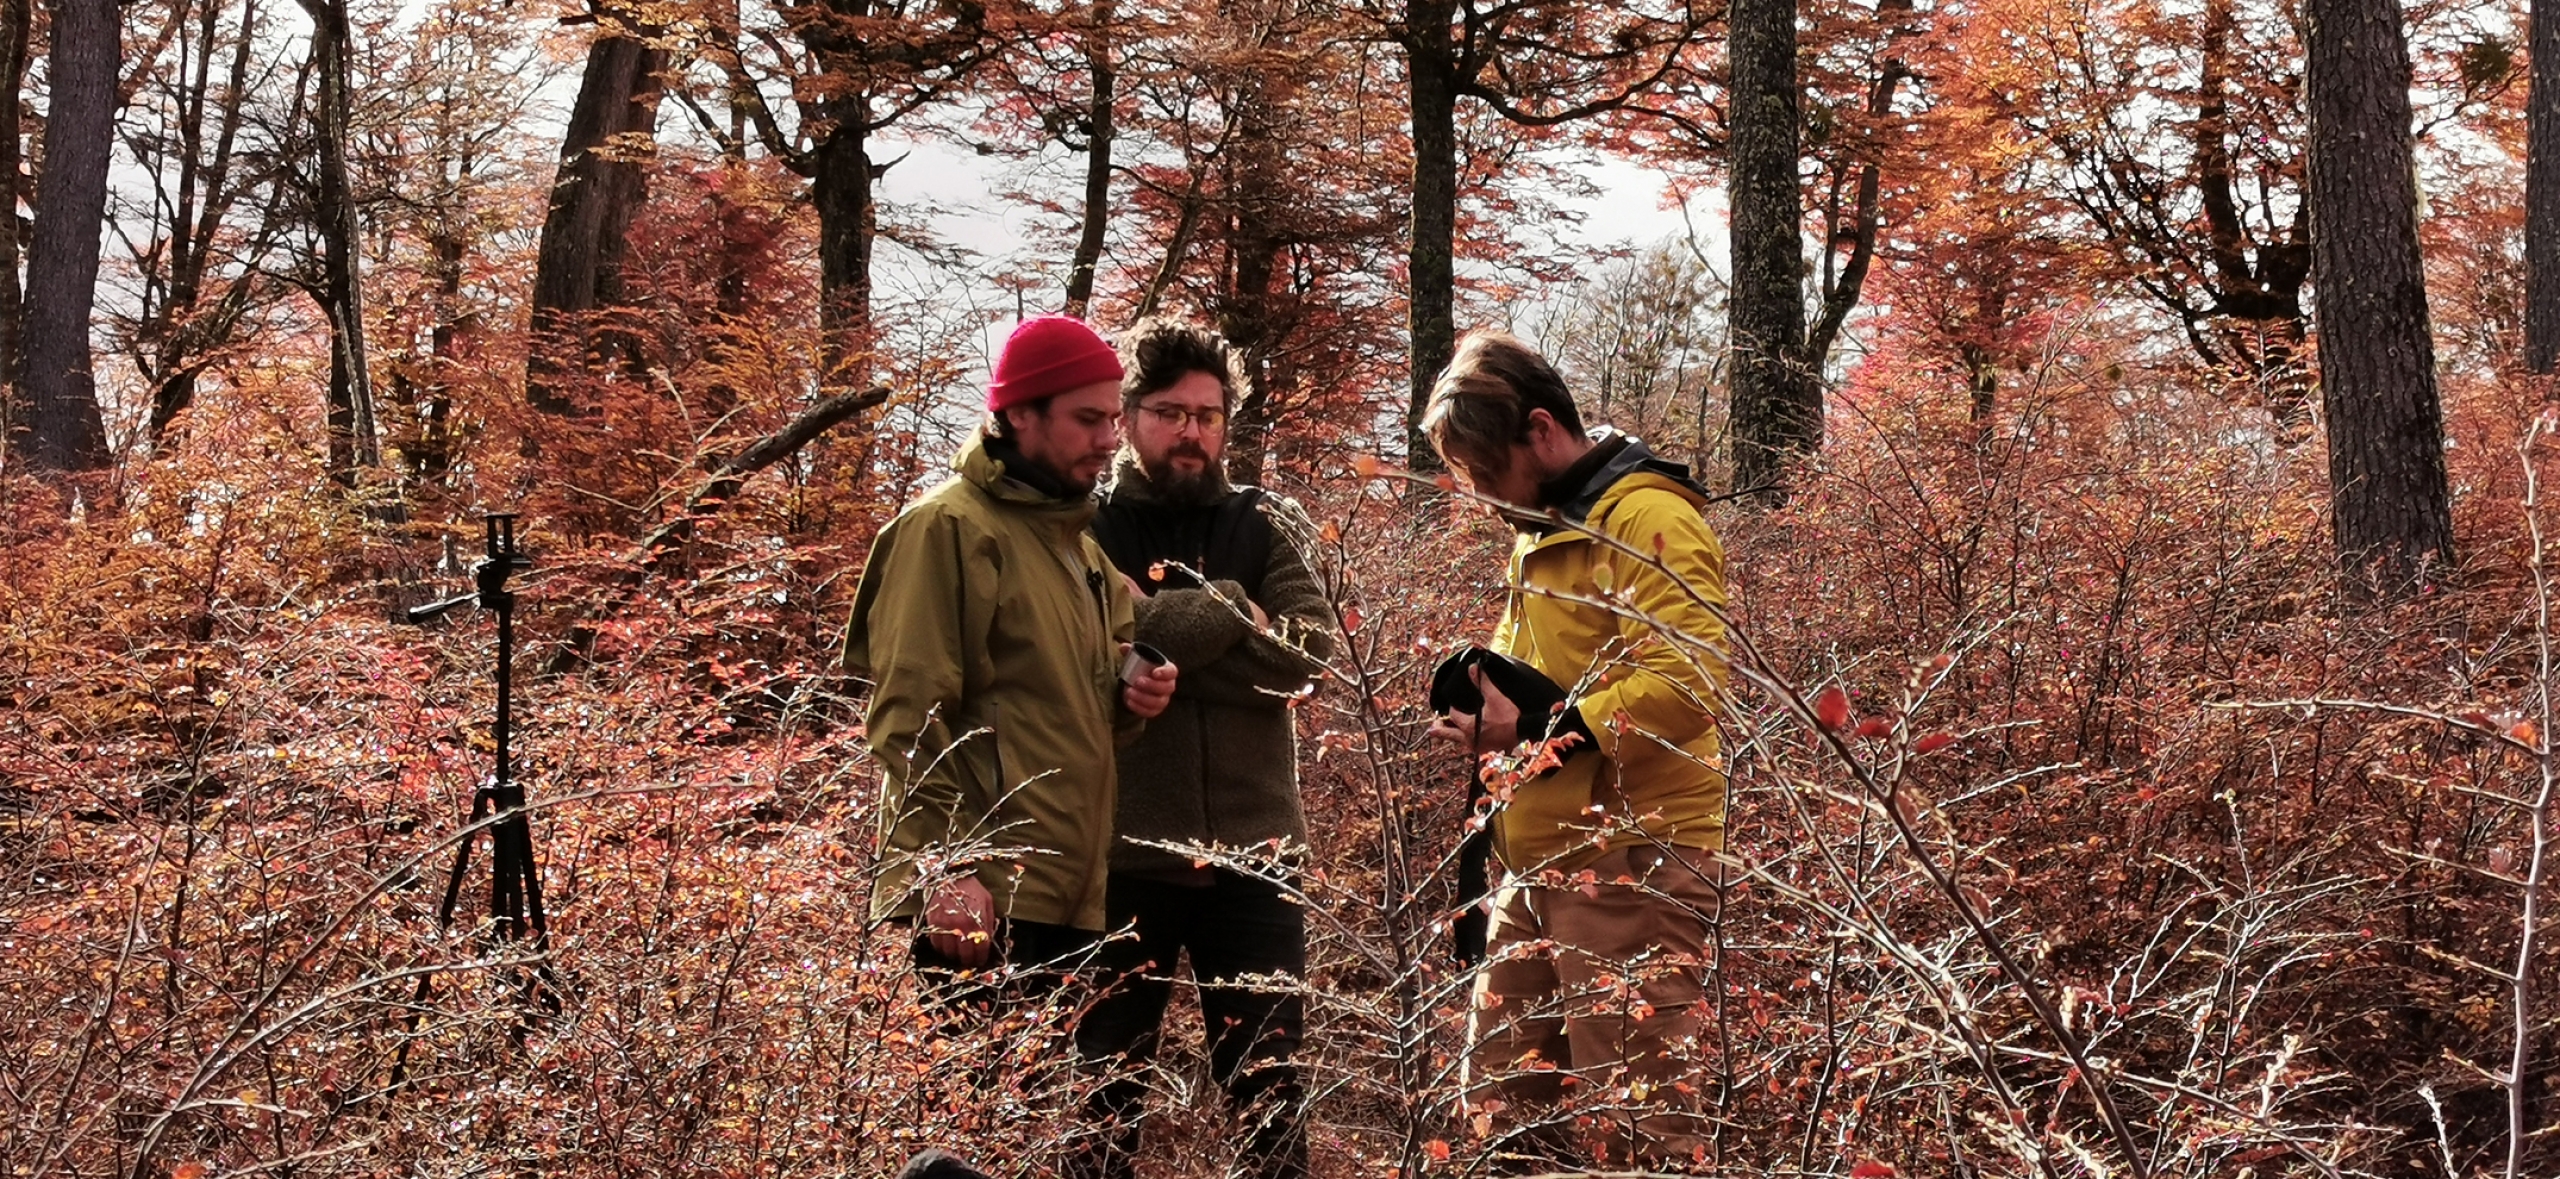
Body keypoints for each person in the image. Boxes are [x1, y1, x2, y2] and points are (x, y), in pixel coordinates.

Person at [1420, 330, 1730, 1171]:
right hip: (1537, 862)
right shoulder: (1548, 526)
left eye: (1488, 476)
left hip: (1634, 861)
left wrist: (1533, 729)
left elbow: (1694, 681)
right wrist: (1485, 709)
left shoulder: (1647, 517)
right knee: (1500, 1124)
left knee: (1640, 1136)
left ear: (1543, 431)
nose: (1484, 499)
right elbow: (1551, 686)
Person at [844, 313, 1180, 991]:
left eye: (1113, 419)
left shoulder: (1077, 547)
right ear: (1019, 413)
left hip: (1065, 895)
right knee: (970, 1098)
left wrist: (1133, 695)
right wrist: (945, 867)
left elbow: (1075, 708)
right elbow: (909, 715)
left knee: (1044, 1098)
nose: (1108, 439)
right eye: (1087, 418)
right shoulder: (949, 528)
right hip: (981, 896)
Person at [1072, 320, 1334, 1179]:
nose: (1192, 431)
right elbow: (1085, 647)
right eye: (1170, 412)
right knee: (1099, 1103)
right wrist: (1232, 609)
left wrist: (1156, 652)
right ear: (1130, 414)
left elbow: (1301, 658)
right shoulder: (1084, 520)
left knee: (1271, 1103)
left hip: (1258, 862)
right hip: (1122, 859)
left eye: (1209, 414)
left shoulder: (1270, 518)